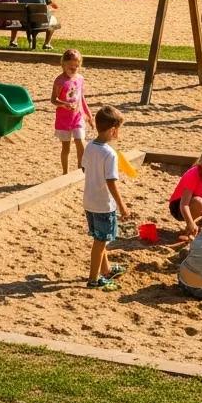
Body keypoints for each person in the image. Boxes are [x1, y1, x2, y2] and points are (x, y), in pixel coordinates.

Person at [81, 105, 130, 290]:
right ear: (112, 130)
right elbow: (111, 182)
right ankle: (93, 279)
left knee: (100, 239)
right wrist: (122, 206)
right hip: (103, 204)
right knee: (100, 242)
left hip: (89, 201)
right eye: (118, 130)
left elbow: (84, 168)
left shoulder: (90, 146)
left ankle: (107, 270)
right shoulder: (109, 153)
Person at [51, 48, 92, 174]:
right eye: (70, 66)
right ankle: (65, 173)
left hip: (77, 117)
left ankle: (81, 170)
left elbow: (81, 97)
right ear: (63, 64)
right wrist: (64, 104)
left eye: (76, 66)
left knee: (81, 142)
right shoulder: (60, 81)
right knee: (66, 148)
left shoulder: (80, 78)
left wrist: (89, 115)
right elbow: (53, 100)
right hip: (64, 119)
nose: (73, 69)